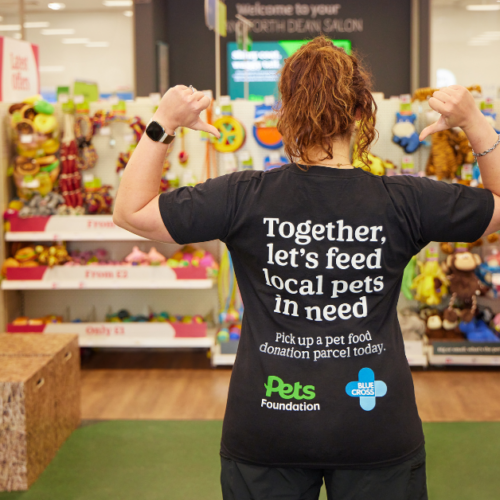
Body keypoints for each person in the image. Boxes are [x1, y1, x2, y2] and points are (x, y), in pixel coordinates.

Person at [113, 36, 500, 500]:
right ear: (361, 110)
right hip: (374, 422)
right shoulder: (404, 199)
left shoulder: (243, 195)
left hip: (267, 423)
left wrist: (164, 122)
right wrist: (476, 123)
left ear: (285, 114)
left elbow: (131, 211)